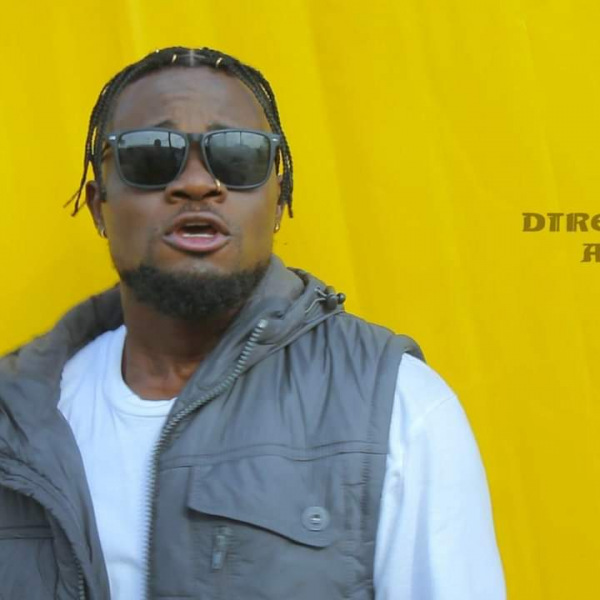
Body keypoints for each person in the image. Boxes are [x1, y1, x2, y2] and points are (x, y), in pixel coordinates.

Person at [0, 46, 506, 600]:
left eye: (238, 155)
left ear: (279, 201)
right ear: (99, 205)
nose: (197, 184)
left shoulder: (398, 410)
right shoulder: (17, 419)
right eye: (151, 155)